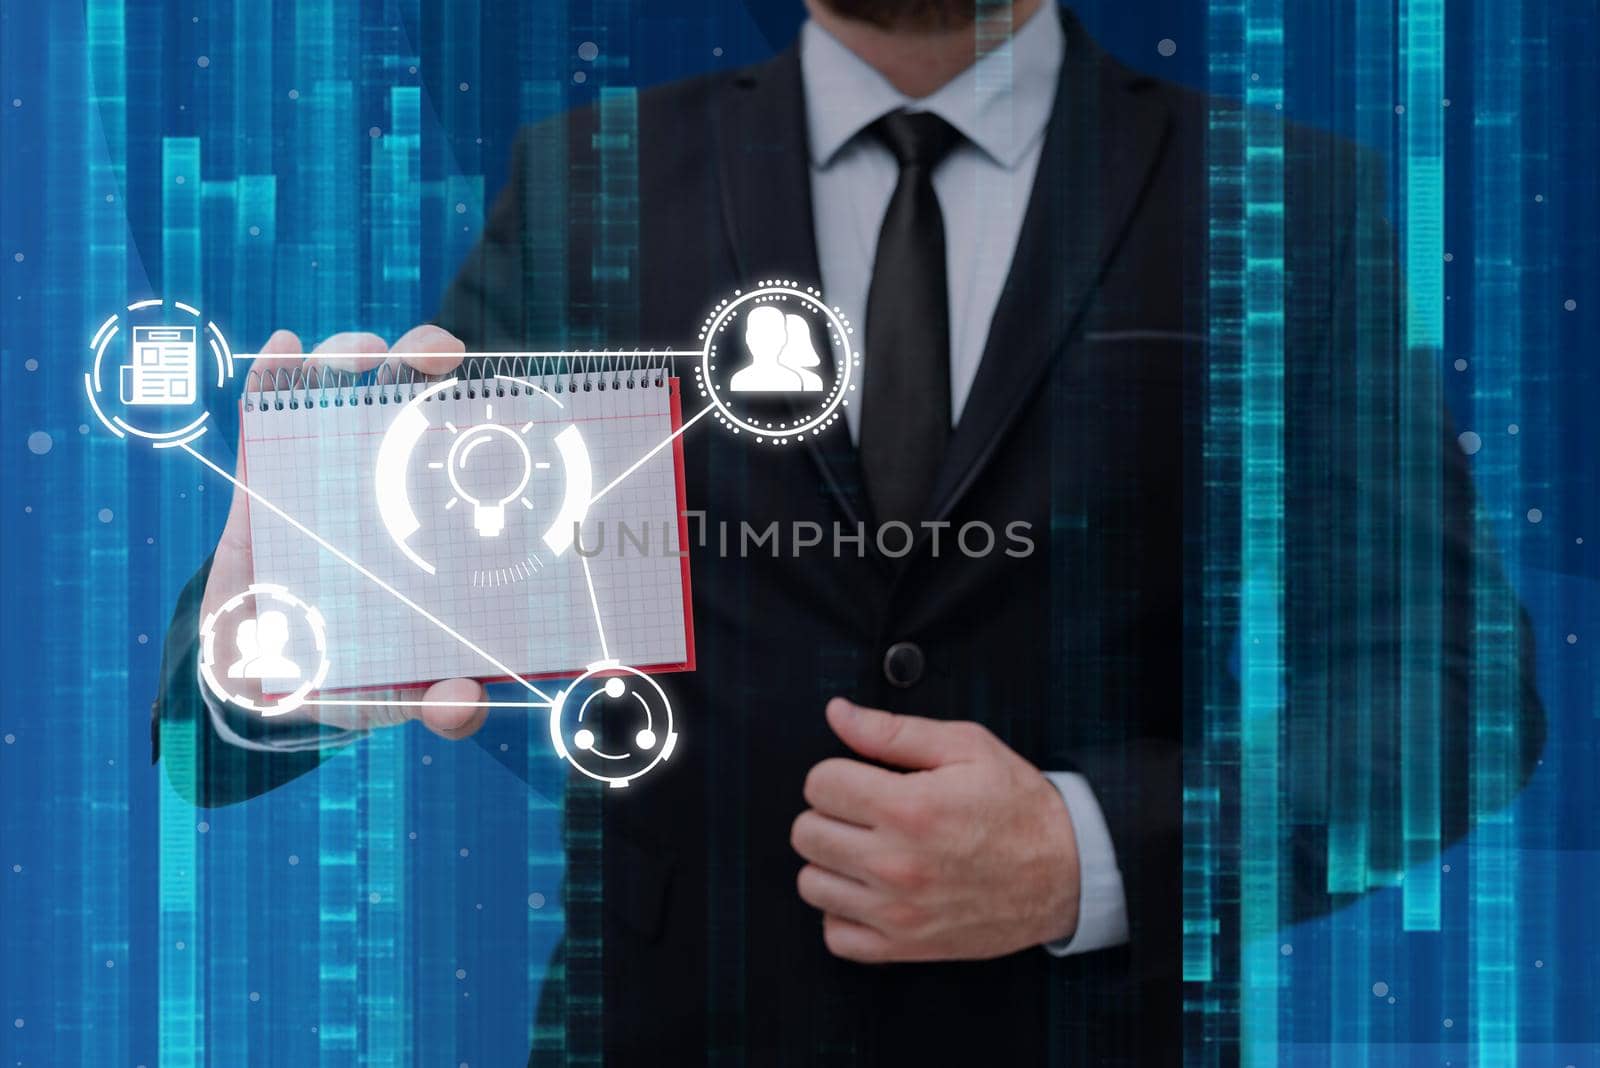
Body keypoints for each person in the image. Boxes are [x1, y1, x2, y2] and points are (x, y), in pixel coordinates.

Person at [154, 1, 1545, 1063]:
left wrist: (1091, 849)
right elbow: (241, 713)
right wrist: (277, 645)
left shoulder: (1295, 203)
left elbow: (1458, 696)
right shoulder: (589, 181)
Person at [730, 304, 808, 392]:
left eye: (771, 333)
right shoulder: (739, 380)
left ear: (784, 338)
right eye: (759, 333)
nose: (765, 341)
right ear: (747, 337)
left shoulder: (793, 380)